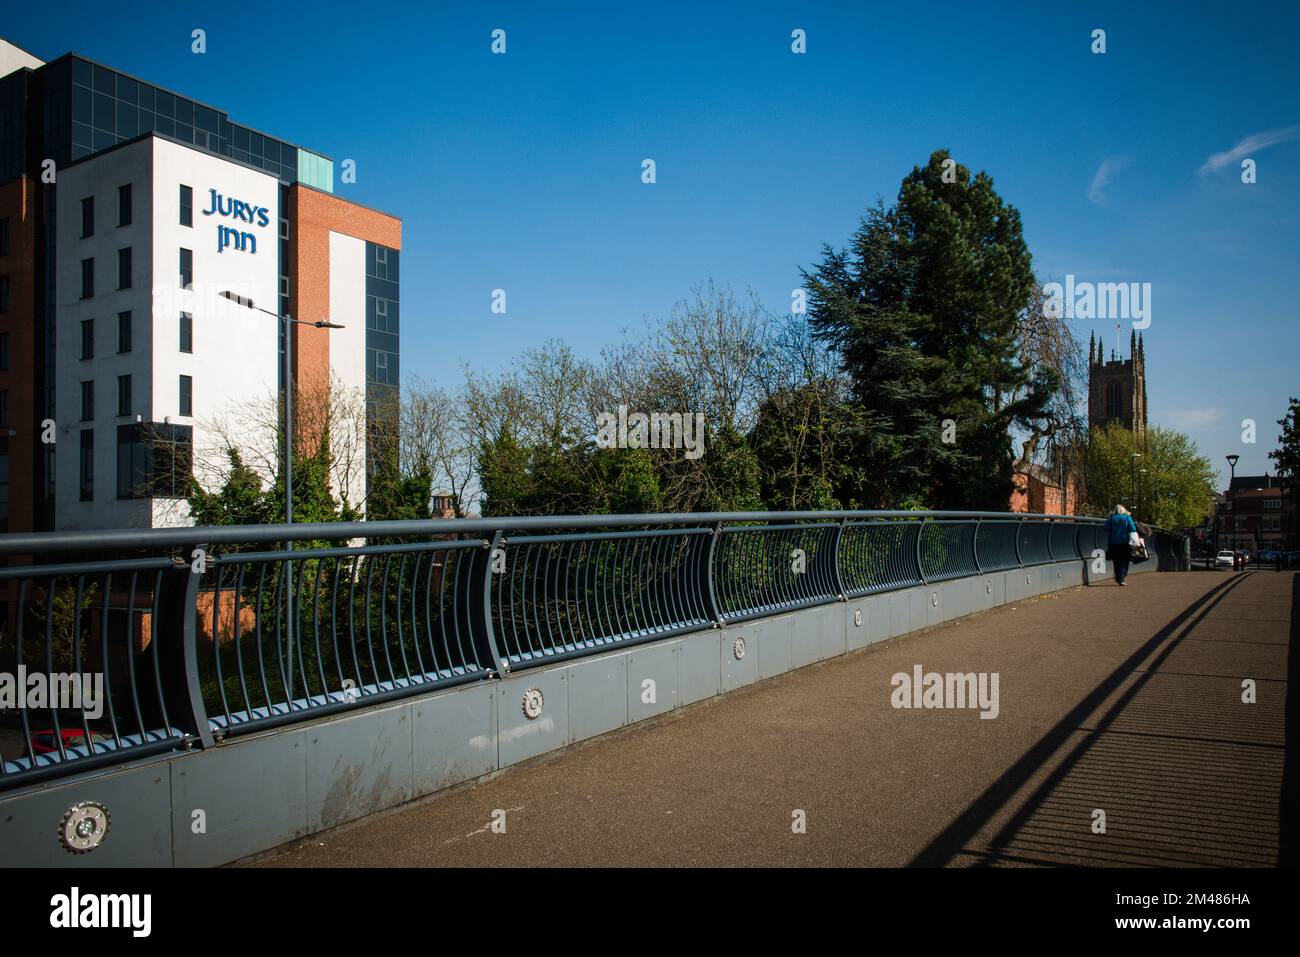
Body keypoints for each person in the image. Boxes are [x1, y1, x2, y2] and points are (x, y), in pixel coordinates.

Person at [1105, 504, 1139, 586]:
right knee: (1124, 561)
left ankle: (1118, 578)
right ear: (1123, 510)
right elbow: (1133, 529)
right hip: (1125, 543)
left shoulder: (1111, 518)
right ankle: (1122, 578)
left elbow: (1105, 528)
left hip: (1113, 543)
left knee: (1116, 561)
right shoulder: (1127, 518)